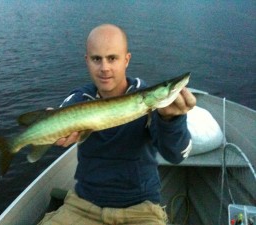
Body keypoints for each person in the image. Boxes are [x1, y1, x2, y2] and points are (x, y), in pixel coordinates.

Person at [38, 24, 196, 225]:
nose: (104, 68)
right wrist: (51, 126)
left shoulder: (146, 99)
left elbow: (175, 155)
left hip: (141, 211)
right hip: (82, 206)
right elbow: (60, 114)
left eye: (112, 58)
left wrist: (171, 121)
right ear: (87, 61)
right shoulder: (79, 98)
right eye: (97, 59)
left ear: (126, 60)